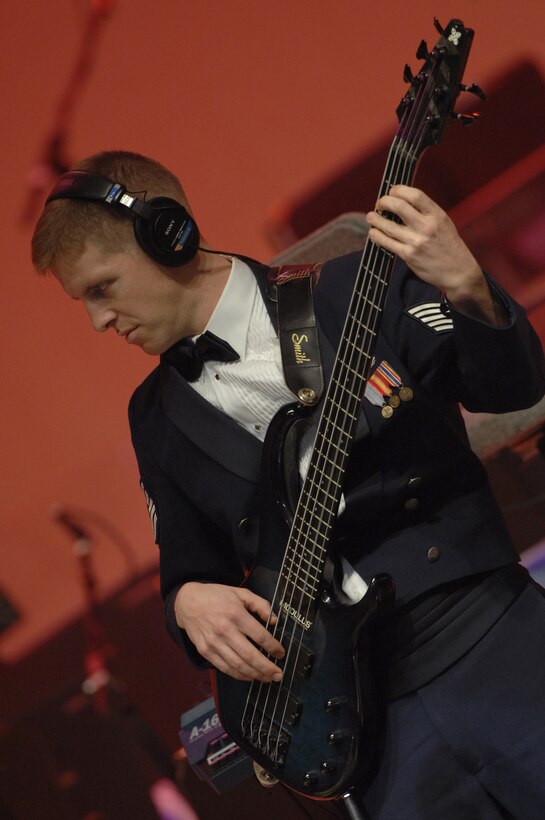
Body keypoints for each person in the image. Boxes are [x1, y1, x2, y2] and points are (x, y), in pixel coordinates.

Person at [32, 150, 545, 819]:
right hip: (370, 731)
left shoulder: (350, 289)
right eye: (84, 303)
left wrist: (469, 289)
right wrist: (188, 602)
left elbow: (511, 389)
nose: (100, 322)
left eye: (102, 288)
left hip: (492, 644)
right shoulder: (154, 417)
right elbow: (188, 572)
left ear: (169, 236)